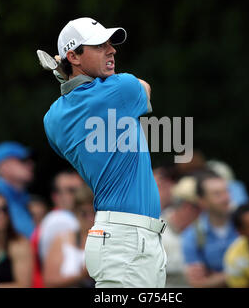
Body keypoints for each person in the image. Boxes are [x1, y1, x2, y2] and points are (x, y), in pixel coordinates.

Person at [43, 17, 166, 288]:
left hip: (126, 238)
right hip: (126, 240)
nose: (112, 51)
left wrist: (69, 79)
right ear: (73, 56)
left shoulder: (52, 118)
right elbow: (144, 87)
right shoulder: (119, 89)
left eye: (110, 44)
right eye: (99, 46)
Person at [181, 173, 238, 288]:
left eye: (226, 191)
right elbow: (197, 283)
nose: (226, 198)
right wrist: (242, 272)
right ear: (202, 201)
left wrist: (215, 277)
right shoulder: (192, 236)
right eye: (217, 194)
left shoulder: (244, 223)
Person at [31, 170, 83, 288]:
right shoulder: (61, 220)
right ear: (56, 196)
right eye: (71, 190)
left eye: (81, 189)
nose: (78, 194)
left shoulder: (55, 218)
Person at [43, 185, 95, 288]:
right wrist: (82, 275)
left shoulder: (109, 241)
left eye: (94, 212)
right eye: (84, 213)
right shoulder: (62, 239)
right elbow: (49, 281)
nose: (90, 218)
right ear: (75, 212)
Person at [161, 176, 201, 287]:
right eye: (200, 209)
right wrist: (183, 269)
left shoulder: (200, 229)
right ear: (188, 207)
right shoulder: (158, 229)